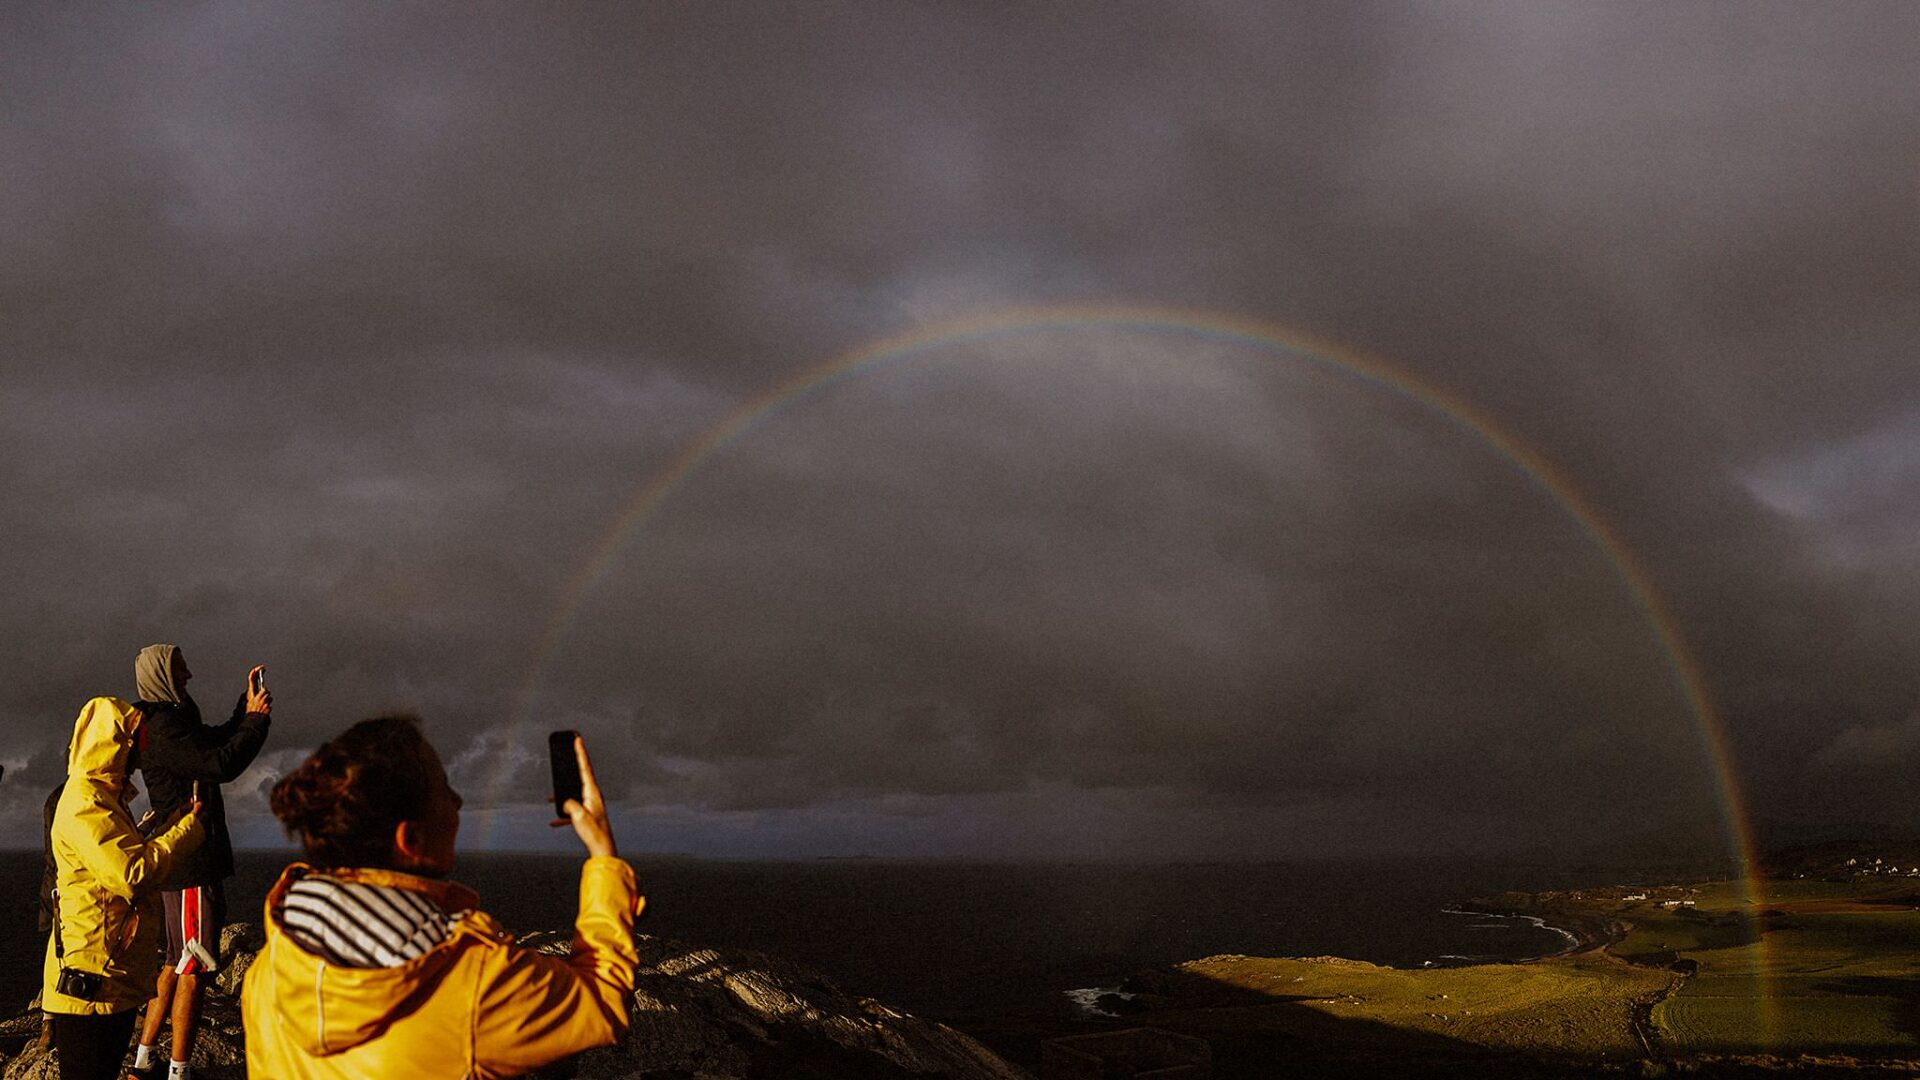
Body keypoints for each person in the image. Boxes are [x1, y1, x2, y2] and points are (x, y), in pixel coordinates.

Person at [242, 716, 642, 1079]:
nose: (458, 801)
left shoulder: (270, 966)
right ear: (410, 839)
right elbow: (602, 1003)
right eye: (445, 789)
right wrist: (604, 856)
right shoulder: (474, 980)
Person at [127, 644, 271, 1080]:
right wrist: (257, 723)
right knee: (194, 964)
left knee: (175, 960)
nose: (189, 674)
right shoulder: (165, 729)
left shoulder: (172, 722)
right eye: (180, 667)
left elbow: (214, 740)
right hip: (190, 863)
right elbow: (220, 764)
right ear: (162, 675)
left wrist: (245, 711)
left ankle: (144, 1061)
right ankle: (179, 1070)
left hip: (183, 859)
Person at [42, 698, 204, 1080]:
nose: (144, 752)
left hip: (105, 977)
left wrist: (166, 830)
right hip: (92, 982)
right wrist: (187, 832)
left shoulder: (101, 799)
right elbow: (131, 874)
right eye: (139, 741)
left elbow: (120, 860)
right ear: (117, 744)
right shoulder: (87, 803)